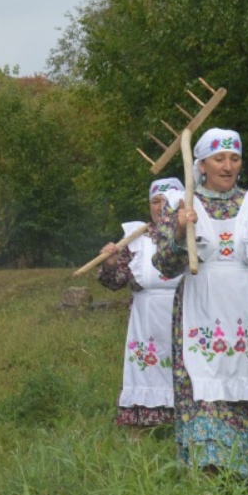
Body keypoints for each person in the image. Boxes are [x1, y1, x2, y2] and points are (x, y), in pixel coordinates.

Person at [155, 129, 248, 477]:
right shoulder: (181, 204)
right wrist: (179, 231)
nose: (228, 166)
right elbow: (164, 266)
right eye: (219, 158)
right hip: (200, 313)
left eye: (234, 158)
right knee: (205, 390)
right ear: (201, 164)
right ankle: (210, 478)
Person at [98, 177, 185, 435]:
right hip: (146, 324)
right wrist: (111, 263)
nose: (161, 207)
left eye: (167, 201)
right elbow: (115, 282)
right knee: (147, 372)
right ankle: (142, 432)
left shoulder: (193, 236)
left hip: (185, 317)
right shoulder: (136, 238)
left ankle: (185, 429)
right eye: (155, 201)